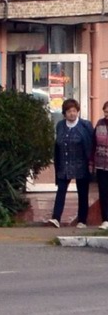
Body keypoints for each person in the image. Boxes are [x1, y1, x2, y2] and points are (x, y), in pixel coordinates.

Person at [51, 98, 94, 229]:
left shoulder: (85, 125)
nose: (72, 114)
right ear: (64, 113)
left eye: (74, 111)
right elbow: (57, 144)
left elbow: (90, 144)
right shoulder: (60, 125)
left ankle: (82, 220)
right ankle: (56, 218)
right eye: (69, 111)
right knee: (61, 190)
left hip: (81, 163)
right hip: (64, 163)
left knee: (82, 192)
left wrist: (91, 162)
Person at [95, 101, 108, 230]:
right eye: (105, 111)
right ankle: (105, 219)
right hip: (101, 164)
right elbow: (94, 143)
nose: (107, 114)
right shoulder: (99, 124)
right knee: (103, 193)